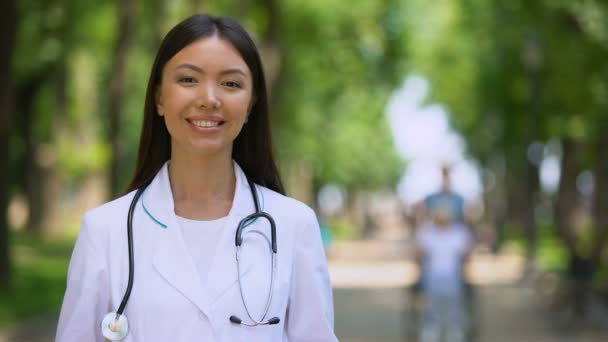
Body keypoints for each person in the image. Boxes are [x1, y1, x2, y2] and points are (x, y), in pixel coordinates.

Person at [56, 14, 338, 342]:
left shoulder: (294, 225)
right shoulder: (105, 231)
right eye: (189, 80)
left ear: (251, 105)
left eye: (231, 83)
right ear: (160, 97)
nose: (209, 98)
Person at [415, 207, 473, 342]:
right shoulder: (426, 233)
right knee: (432, 310)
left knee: (453, 309)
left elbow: (467, 255)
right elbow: (418, 255)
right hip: (432, 277)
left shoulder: (459, 233)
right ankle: (432, 333)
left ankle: (453, 333)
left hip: (453, 277)